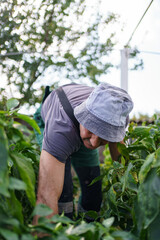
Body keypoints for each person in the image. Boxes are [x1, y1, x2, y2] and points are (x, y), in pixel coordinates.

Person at [33, 82, 133, 224]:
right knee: (63, 194)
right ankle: (64, 227)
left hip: (78, 128)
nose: (94, 144)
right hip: (55, 116)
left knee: (93, 189)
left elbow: (122, 165)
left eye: (103, 136)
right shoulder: (60, 126)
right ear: (82, 115)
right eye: (92, 129)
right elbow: (45, 198)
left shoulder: (119, 114)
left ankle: (88, 227)